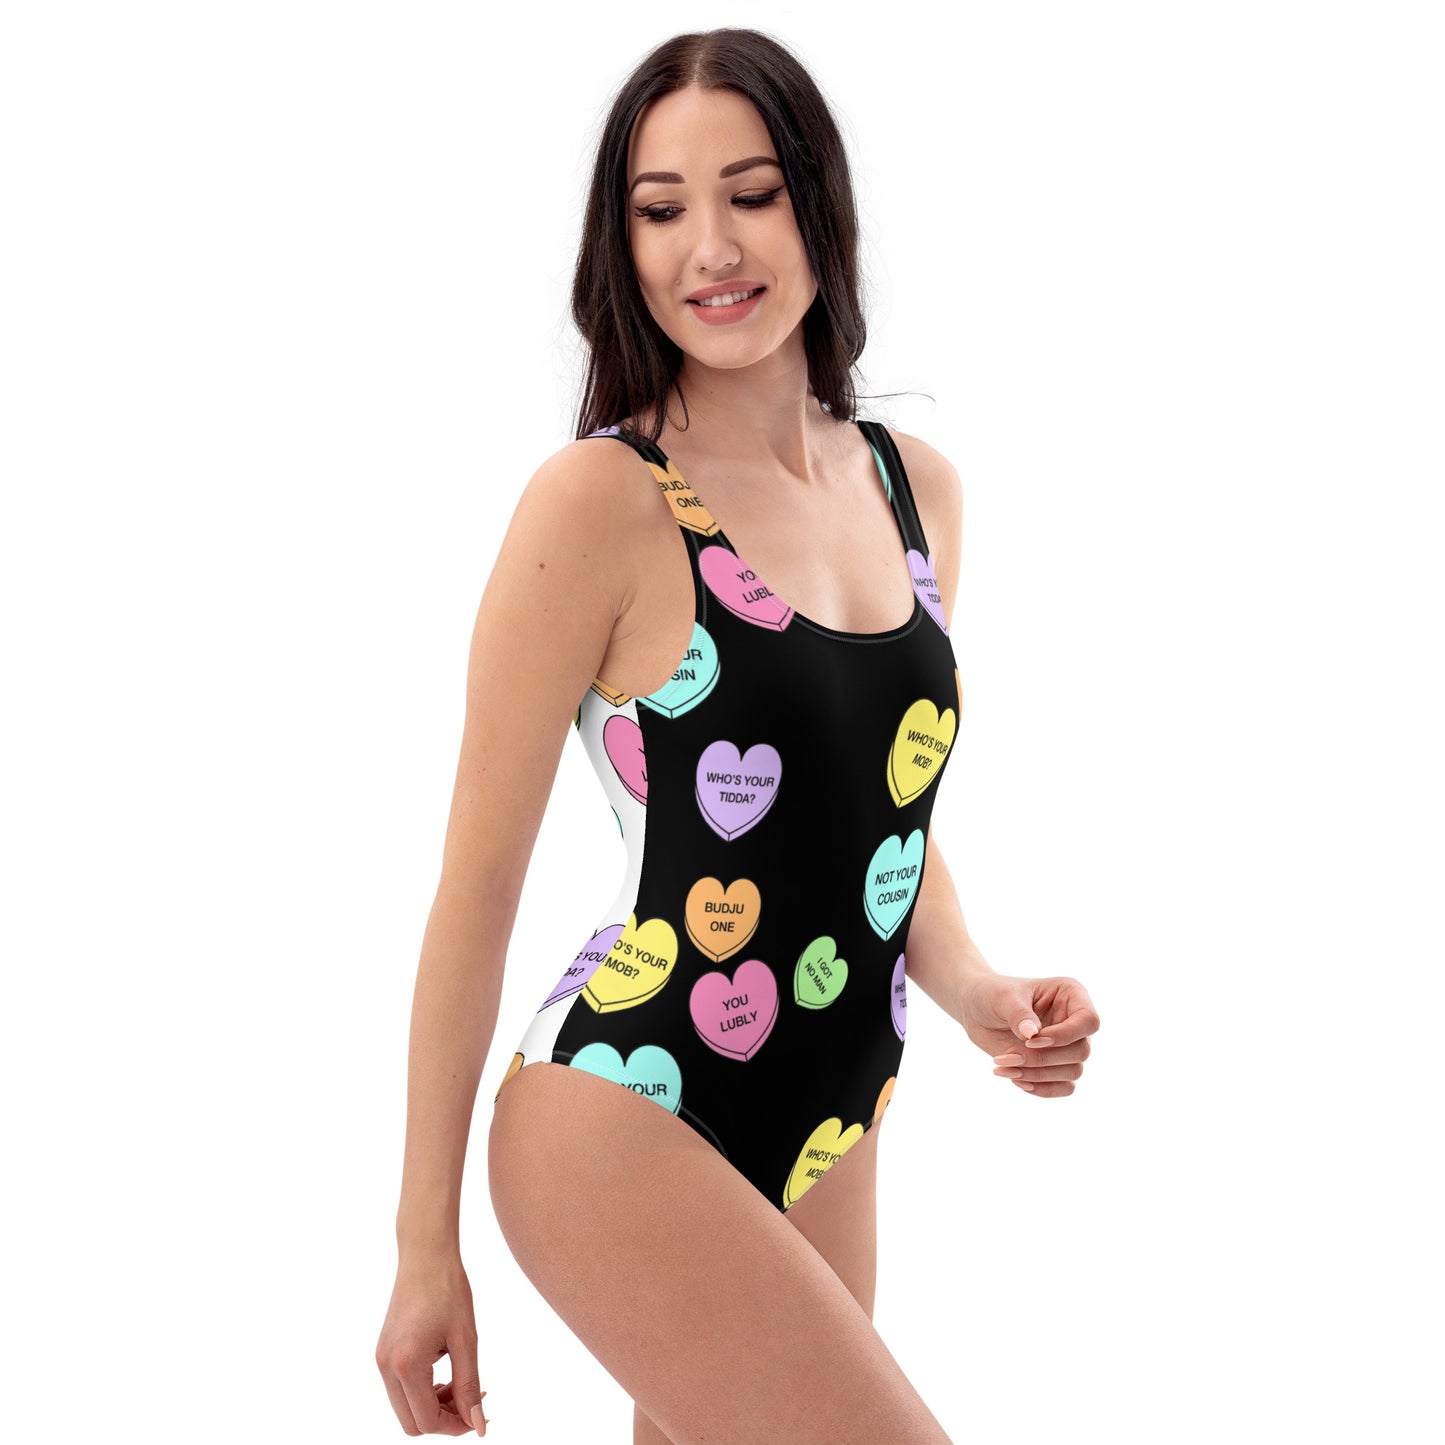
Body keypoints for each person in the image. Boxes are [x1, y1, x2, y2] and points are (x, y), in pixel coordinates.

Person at [375, 26, 1100, 1443]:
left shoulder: (915, 488)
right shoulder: (601, 501)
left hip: (835, 1113)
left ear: (818, 205)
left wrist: (977, 989)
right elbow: (475, 890)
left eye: (752, 193)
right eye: (661, 210)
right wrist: (421, 1249)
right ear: (624, 245)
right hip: (622, 1106)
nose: (709, 247)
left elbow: (875, 813)